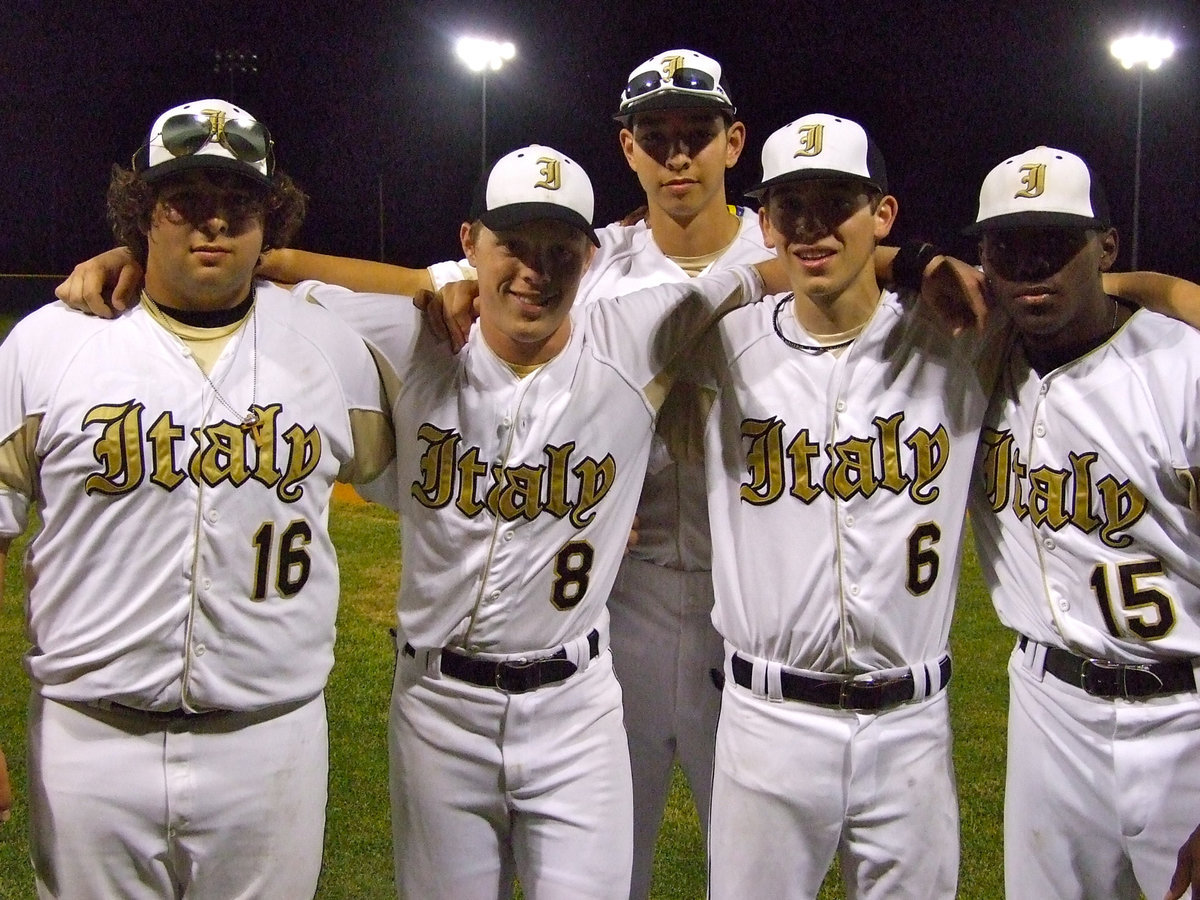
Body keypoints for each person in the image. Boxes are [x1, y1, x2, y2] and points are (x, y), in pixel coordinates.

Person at [298, 144, 775, 898]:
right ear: (469, 245)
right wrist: (425, 285)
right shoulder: (416, 337)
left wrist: (911, 263)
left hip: (575, 714)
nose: (534, 269)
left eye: (558, 249)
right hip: (435, 710)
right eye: (512, 245)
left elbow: (759, 272)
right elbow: (270, 277)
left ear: (589, 258)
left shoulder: (628, 336)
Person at [0, 98, 394, 898]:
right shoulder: (50, 345)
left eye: (239, 204)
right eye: (186, 201)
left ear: (270, 219)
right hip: (88, 741)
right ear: (141, 213)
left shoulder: (333, 350)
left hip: (271, 742)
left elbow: (467, 305)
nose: (213, 224)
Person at [699, 113, 996, 900]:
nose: (811, 227)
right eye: (790, 207)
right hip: (767, 723)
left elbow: (1088, 297)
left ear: (883, 214)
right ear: (763, 223)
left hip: (911, 728)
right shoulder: (719, 347)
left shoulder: (961, 334)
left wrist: (927, 263)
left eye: (838, 204)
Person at [966, 146, 1200, 900]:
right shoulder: (975, 360)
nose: (1033, 267)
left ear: (1105, 246)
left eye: (1056, 244)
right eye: (1010, 246)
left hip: (1184, 720)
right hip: (1048, 714)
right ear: (984, 259)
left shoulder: (1182, 369)